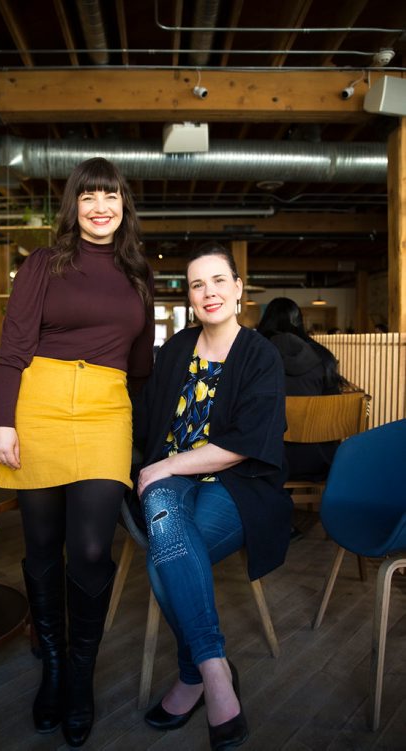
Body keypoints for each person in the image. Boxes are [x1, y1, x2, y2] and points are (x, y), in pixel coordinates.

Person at [0, 157, 154, 747]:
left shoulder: (138, 275)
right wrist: (1, 421)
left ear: (123, 205)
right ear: (74, 206)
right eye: (88, 197)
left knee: (89, 548)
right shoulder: (43, 263)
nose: (100, 207)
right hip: (39, 405)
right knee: (40, 545)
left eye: (110, 196)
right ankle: (54, 666)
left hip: (108, 411)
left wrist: (148, 443)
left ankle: (80, 676)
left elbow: (141, 369)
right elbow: (12, 348)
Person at [133, 242, 292, 750]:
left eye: (219, 280)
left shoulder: (261, 355)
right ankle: (216, 669)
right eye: (198, 284)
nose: (209, 292)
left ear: (240, 289)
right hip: (172, 480)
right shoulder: (176, 349)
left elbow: (244, 446)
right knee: (163, 515)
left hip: (236, 483)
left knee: (165, 559)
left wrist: (165, 466)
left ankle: (194, 675)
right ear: (191, 297)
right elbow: (145, 419)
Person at [257, 297, 347, 484]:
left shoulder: (255, 355)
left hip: (267, 461)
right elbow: (333, 407)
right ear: (298, 321)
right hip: (322, 459)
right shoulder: (323, 356)